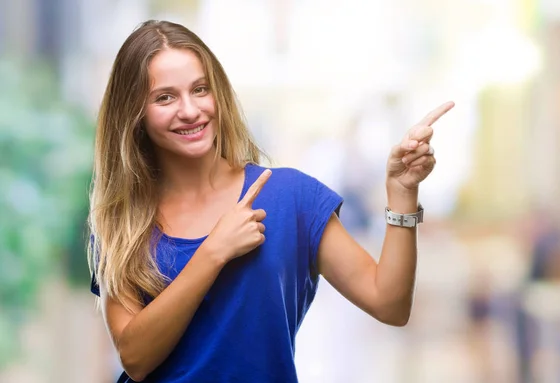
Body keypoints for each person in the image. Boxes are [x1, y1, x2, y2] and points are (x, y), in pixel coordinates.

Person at [87, 19, 454, 383]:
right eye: (165, 97)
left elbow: (389, 303)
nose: (189, 110)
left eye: (200, 89)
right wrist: (214, 252)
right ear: (135, 112)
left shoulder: (290, 198)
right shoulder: (122, 223)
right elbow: (134, 358)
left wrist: (403, 194)